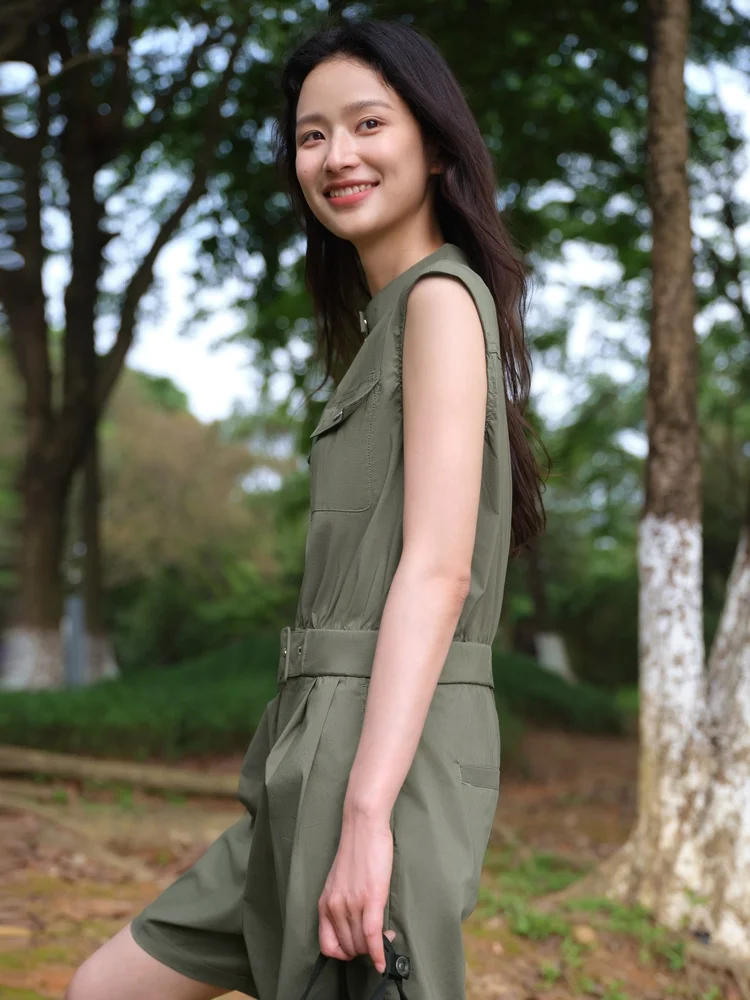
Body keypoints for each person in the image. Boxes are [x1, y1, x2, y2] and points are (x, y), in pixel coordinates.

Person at [65, 16, 545, 1000]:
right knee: (105, 986)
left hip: (385, 760)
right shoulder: (386, 322)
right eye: (312, 134)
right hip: (312, 739)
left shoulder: (440, 305)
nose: (337, 155)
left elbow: (439, 567)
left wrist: (368, 817)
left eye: (368, 122)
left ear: (436, 143)